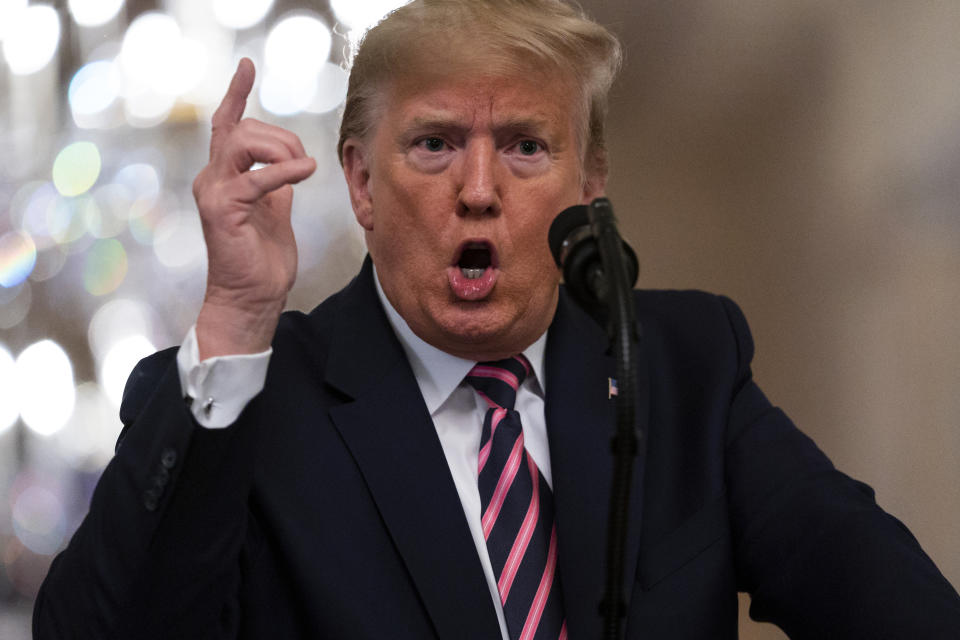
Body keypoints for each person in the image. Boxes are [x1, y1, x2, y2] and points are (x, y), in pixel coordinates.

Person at [33, 0, 960, 638]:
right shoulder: (253, 404)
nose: (478, 192)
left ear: (588, 184)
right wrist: (236, 318)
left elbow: (892, 605)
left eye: (525, 147)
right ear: (359, 181)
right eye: (435, 145)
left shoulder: (681, 368)